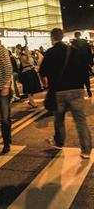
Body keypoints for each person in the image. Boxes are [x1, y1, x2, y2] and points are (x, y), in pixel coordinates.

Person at [40, 28, 92, 159]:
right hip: (76, 90)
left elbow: (42, 72)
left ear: (52, 38)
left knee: (59, 119)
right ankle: (86, 150)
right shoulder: (74, 50)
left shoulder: (50, 53)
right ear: (62, 37)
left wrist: (46, 84)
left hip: (59, 91)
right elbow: (84, 68)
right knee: (80, 121)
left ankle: (59, 142)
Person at [71, 31, 93, 98]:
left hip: (77, 65)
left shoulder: (73, 44)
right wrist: (91, 63)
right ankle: (88, 89)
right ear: (80, 35)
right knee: (86, 77)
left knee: (79, 79)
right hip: (85, 63)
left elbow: (71, 56)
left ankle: (81, 91)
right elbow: (89, 53)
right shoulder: (85, 42)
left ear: (75, 36)